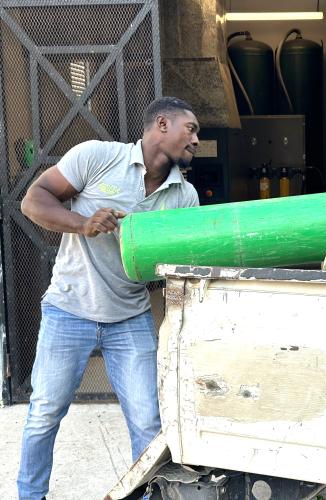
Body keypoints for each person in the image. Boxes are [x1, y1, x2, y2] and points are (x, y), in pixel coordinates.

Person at [16, 96, 200, 500]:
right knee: (44, 413)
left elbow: (172, 269)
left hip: (130, 317)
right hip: (69, 309)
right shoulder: (97, 157)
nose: (197, 140)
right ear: (162, 125)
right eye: (191, 129)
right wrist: (82, 223)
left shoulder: (184, 198)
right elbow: (34, 200)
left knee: (149, 426)